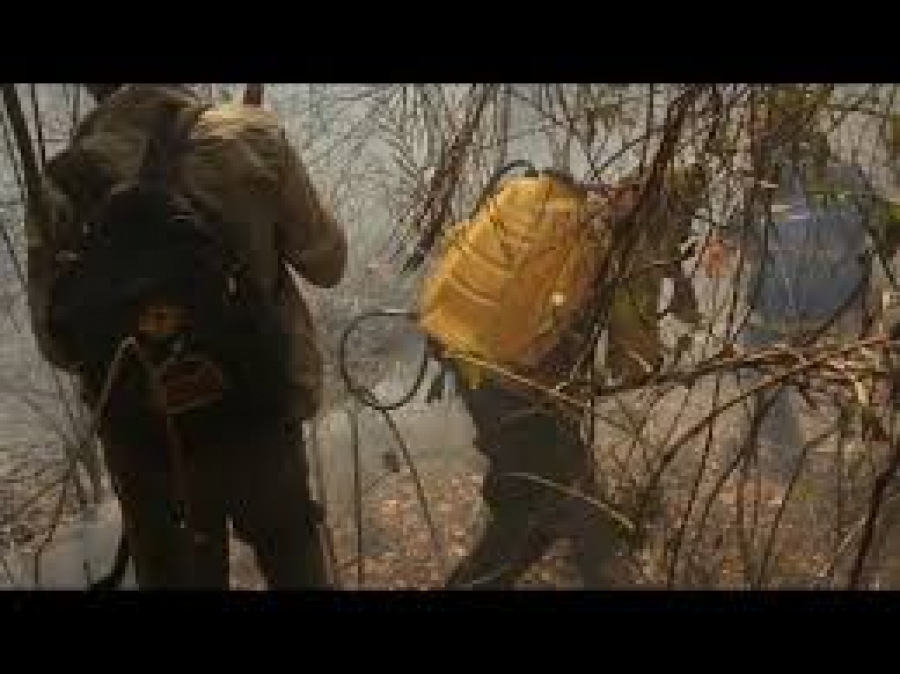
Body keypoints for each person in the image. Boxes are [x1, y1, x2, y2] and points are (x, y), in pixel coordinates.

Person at [24, 84, 348, 589]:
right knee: (294, 567)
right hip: (259, 415)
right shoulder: (248, 135)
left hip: (147, 447)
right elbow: (328, 263)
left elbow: (56, 344)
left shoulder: (60, 183)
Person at [441, 164, 707, 589]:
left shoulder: (551, 203)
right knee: (545, 505)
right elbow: (634, 361)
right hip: (512, 381)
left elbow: (458, 248)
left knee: (550, 489)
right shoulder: (624, 245)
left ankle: (594, 566)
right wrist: (679, 364)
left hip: (461, 352)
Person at [707, 90, 900, 481]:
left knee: (849, 389)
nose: (752, 135)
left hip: (836, 317)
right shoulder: (765, 185)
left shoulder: (838, 177)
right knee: (759, 379)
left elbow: (885, 230)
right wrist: (722, 247)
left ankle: (852, 467)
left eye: (760, 125)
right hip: (783, 318)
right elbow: (726, 243)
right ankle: (794, 464)